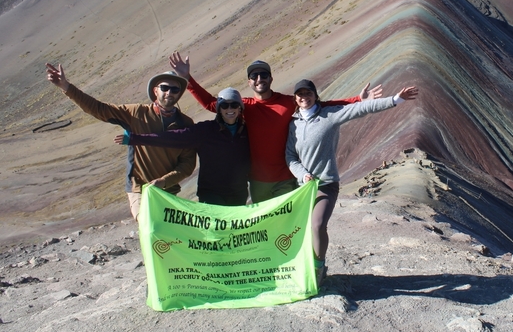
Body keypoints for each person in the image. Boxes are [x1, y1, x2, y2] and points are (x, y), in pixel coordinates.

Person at [169, 51, 382, 203]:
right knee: (265, 229)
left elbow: (322, 105)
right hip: (258, 181)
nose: (259, 78)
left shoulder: (289, 102)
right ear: (249, 82)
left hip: (287, 179)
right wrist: (188, 79)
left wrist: (358, 100)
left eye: (263, 75)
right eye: (254, 76)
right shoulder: (243, 107)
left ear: (271, 78)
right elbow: (210, 103)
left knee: (286, 228)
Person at [285, 79, 419, 282]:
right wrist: (302, 174)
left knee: (317, 225)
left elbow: (360, 109)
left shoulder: (329, 116)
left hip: (326, 183)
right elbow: (290, 157)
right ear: (296, 98)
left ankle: (318, 268)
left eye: (308, 93)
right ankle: (303, 265)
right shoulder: (293, 124)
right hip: (303, 187)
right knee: (302, 230)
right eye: (300, 94)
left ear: (315, 95)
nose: (304, 97)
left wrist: (395, 100)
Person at [45, 63, 196, 220]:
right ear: (155, 90)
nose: (169, 92)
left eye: (175, 89)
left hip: (168, 191)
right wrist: (66, 87)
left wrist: (164, 182)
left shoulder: (186, 123)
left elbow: (187, 164)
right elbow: (99, 109)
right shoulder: (136, 113)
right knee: (147, 223)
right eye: (164, 87)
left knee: (167, 235)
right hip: (139, 188)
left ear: (179, 94)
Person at [114, 88, 250, 206]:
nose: (230, 109)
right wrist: (136, 138)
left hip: (238, 193)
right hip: (211, 195)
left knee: (234, 235)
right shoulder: (206, 131)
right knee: (216, 234)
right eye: (225, 105)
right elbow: (173, 138)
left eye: (234, 105)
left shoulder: (248, 131)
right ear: (219, 109)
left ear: (240, 108)